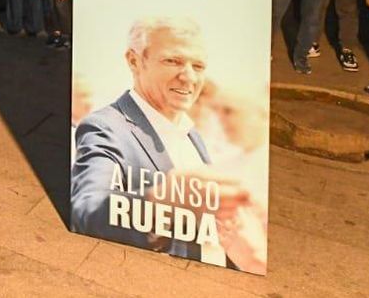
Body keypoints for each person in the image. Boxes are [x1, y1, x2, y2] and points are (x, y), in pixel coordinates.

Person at [70, 17, 261, 272]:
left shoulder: (191, 133)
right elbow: (87, 212)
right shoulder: (105, 127)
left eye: (198, 66)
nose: (189, 77)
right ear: (134, 61)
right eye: (172, 61)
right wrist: (164, 200)